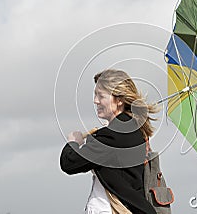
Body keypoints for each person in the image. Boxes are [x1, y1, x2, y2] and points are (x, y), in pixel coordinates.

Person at [60, 69, 159, 214]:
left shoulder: (112, 135)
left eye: (101, 96)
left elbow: (69, 163)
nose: (95, 100)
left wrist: (73, 142)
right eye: (95, 95)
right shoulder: (134, 130)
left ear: (119, 100)